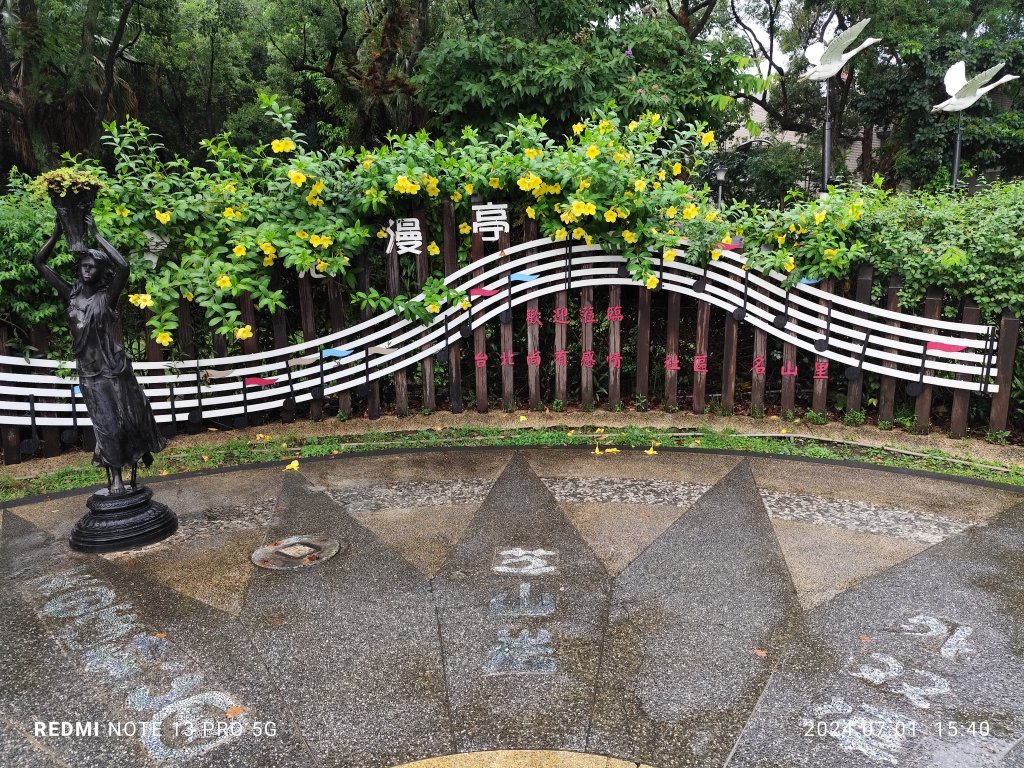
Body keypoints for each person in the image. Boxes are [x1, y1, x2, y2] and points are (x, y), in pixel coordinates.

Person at [33, 215, 166, 493]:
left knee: (127, 419)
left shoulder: (107, 297)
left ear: (99, 271)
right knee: (105, 425)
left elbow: (123, 266)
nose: (87, 271)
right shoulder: (70, 295)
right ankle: (115, 476)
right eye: (84, 266)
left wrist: (96, 235)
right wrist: (57, 233)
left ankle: (133, 461)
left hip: (114, 368)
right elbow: (39, 263)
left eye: (93, 267)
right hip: (89, 371)